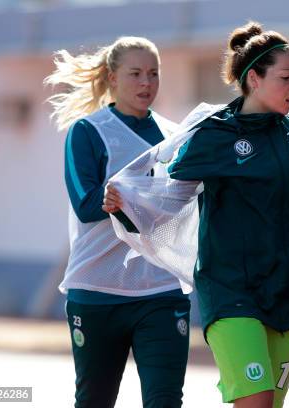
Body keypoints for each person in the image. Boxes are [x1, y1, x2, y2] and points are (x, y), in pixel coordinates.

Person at [104, 22, 289, 408]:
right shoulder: (215, 134)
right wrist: (126, 204)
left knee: (270, 405)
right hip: (230, 292)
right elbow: (167, 195)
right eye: (285, 78)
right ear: (254, 79)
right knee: (256, 401)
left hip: (285, 298)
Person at [44, 36, 190, 408]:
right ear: (112, 77)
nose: (146, 83)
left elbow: (183, 207)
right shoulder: (88, 132)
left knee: (165, 401)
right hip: (96, 290)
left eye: (154, 74)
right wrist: (120, 200)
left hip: (161, 289)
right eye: (136, 74)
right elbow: (86, 205)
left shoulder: (175, 137)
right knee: (95, 400)